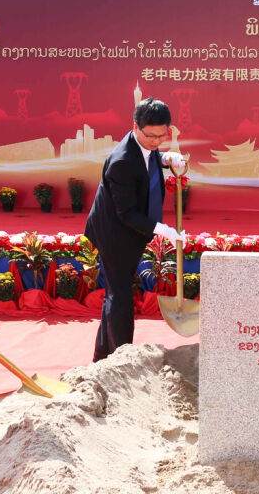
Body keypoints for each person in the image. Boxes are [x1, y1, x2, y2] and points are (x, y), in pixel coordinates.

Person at [86, 97, 186, 362]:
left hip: (131, 230)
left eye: (161, 135)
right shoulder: (121, 161)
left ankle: (102, 356)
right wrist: (162, 229)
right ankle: (122, 358)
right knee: (120, 296)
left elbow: (150, 156)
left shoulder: (146, 148)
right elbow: (126, 213)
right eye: (150, 135)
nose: (155, 141)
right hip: (114, 232)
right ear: (135, 127)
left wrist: (165, 158)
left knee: (115, 292)